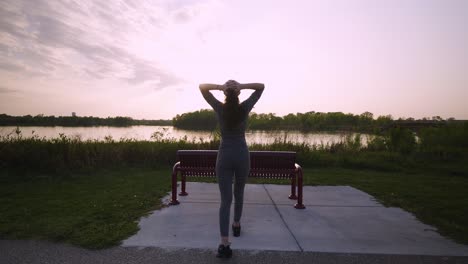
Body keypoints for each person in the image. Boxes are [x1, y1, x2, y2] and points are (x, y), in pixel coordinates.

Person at [199, 80, 264, 258]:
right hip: (242, 155)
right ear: (238, 94)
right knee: (239, 193)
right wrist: (241, 86)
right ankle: (236, 224)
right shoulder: (245, 107)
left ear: (225, 94)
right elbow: (261, 87)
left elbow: (202, 87)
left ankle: (224, 243)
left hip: (225, 156)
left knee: (225, 201)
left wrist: (221, 87)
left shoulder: (219, 108)